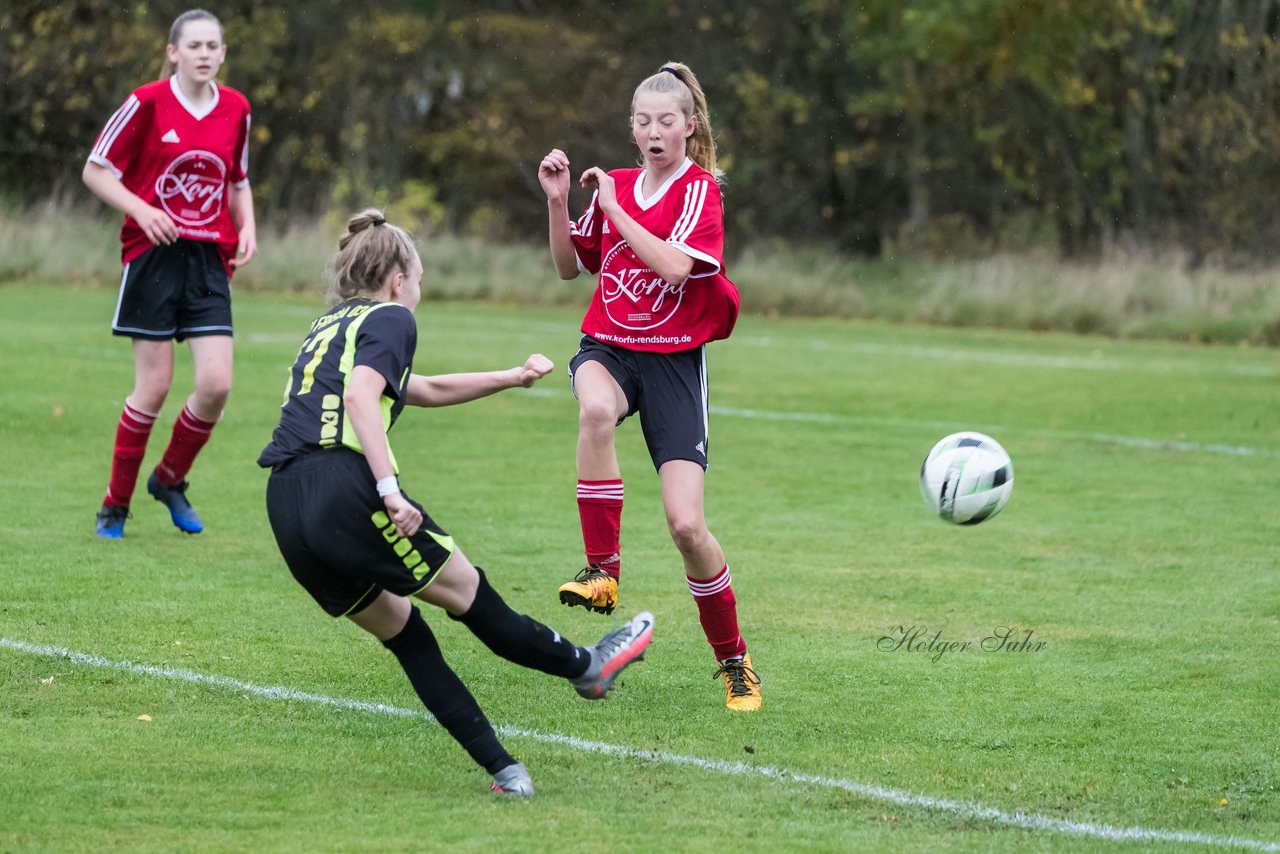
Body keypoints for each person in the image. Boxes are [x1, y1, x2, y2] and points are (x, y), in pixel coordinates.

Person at [258, 209, 654, 797]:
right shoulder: (392, 317)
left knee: (408, 636)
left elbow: (421, 389)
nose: (419, 290)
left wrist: (512, 376)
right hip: (343, 489)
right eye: (418, 278)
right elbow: (366, 401)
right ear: (398, 279)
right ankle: (587, 667)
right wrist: (388, 491)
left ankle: (505, 772)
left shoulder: (332, 324)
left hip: (286, 504)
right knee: (476, 600)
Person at [537, 62, 760, 712]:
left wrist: (612, 208)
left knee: (687, 527)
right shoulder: (618, 184)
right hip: (609, 347)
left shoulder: (699, 193)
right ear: (631, 128)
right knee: (596, 408)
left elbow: (673, 265)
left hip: (672, 365)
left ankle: (733, 661)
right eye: (644, 121)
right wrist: (559, 203)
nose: (655, 131)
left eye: (668, 121)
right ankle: (602, 576)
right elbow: (566, 269)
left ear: (690, 127)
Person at [84, 9, 257, 538]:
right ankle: (114, 505)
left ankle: (169, 479)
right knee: (154, 388)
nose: (204, 54)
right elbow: (95, 170)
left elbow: (239, 180)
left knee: (216, 385)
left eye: (213, 46)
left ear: (223, 54)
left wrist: (249, 226)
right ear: (173, 52)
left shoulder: (237, 108)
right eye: (194, 46)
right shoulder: (147, 102)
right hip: (153, 256)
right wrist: (141, 209)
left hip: (208, 260)